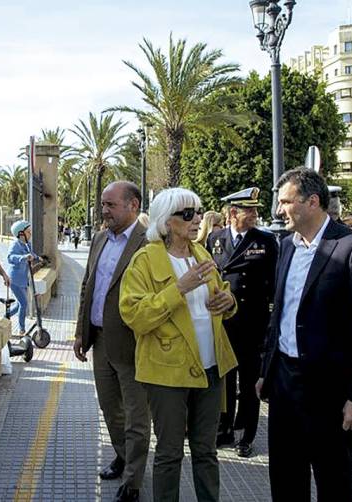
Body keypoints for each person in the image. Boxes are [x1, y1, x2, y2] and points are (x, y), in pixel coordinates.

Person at [256, 167, 352, 501]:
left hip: (330, 393)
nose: (278, 210)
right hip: (284, 385)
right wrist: (265, 371)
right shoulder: (285, 246)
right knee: (285, 478)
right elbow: (280, 314)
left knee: (334, 482)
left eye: (285, 202)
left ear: (312, 201)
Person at [120, 187, 238, 502]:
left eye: (198, 211)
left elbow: (219, 295)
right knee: (170, 452)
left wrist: (228, 300)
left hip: (210, 366)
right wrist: (179, 289)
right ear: (166, 222)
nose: (196, 219)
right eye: (187, 214)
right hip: (167, 372)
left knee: (206, 451)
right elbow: (134, 314)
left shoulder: (202, 254)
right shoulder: (145, 260)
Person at [73, 181, 150, 502]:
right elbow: (87, 286)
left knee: (135, 416)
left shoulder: (148, 244)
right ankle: (122, 455)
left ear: (133, 206)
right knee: (109, 408)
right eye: (102, 205)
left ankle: (132, 482)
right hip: (100, 341)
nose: (103, 211)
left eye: (111, 205)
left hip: (133, 344)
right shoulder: (100, 239)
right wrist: (81, 332)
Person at [206, 187, 277, 457]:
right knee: (224, 380)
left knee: (248, 383)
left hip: (252, 323)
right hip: (224, 324)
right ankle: (223, 429)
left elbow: (273, 284)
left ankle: (246, 435)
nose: (256, 214)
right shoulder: (215, 238)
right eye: (250, 210)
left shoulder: (265, 241)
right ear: (233, 213)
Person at [7, 220, 39, 336]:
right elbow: (10, 257)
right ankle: (21, 329)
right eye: (28, 232)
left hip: (24, 280)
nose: (30, 234)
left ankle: (4, 317)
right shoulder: (15, 244)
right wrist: (23, 257)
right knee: (24, 303)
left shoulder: (26, 244)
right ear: (21, 234)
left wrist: (39, 258)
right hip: (14, 279)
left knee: (19, 305)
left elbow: (32, 254)